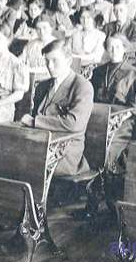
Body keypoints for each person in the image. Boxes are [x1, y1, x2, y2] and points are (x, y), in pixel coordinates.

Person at [19, 39, 94, 176]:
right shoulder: (42, 86)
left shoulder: (82, 86)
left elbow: (74, 123)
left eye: (55, 60)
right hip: (41, 143)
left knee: (23, 163)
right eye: (47, 61)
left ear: (68, 60)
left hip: (65, 151)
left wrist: (35, 122)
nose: (50, 66)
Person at [90, 34, 136, 162]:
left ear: (124, 48)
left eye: (118, 47)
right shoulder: (98, 71)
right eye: (110, 47)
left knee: (108, 144)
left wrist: (117, 120)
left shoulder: (133, 74)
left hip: (122, 121)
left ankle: (106, 170)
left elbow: (134, 108)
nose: (114, 51)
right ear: (106, 49)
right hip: (98, 117)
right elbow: (91, 98)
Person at [103, 0, 136, 64]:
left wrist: (122, 45)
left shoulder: (135, 26)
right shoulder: (107, 26)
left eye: (121, 10)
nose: (118, 13)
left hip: (127, 58)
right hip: (109, 58)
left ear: (126, 11)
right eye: (115, 11)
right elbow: (103, 43)